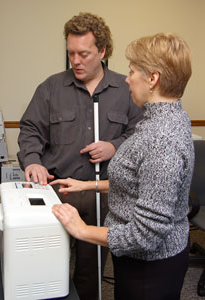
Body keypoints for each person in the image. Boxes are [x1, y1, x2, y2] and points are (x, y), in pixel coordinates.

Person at [51, 32, 194, 300]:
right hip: (140, 261)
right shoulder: (162, 120)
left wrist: (81, 229)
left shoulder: (161, 139)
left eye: (132, 72)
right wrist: (86, 185)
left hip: (149, 270)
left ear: (153, 79)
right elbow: (141, 184)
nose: (127, 79)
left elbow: (145, 236)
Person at [17, 12, 142, 300]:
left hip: (103, 196)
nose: (76, 61)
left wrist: (115, 145)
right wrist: (33, 159)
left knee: (89, 273)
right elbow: (30, 130)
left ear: (102, 51)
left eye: (83, 54)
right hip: (57, 191)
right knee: (45, 266)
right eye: (71, 53)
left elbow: (141, 136)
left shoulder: (127, 90)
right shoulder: (51, 88)